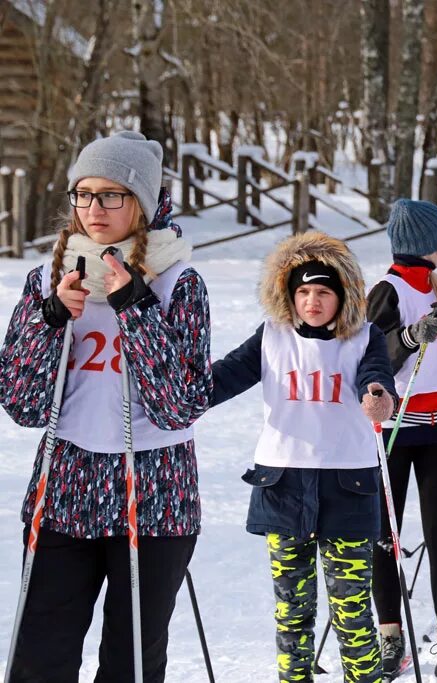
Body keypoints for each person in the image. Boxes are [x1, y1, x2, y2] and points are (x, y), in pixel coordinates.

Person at [0, 131, 212, 681]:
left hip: (154, 491)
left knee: (131, 660)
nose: (94, 209)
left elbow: (181, 406)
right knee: (39, 655)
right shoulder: (49, 276)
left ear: (141, 202)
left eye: (112, 195)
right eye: (83, 194)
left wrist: (134, 309)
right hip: (65, 485)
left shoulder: (177, 282)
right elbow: (21, 404)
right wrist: (49, 321)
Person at [210, 232, 394, 682]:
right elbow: (225, 376)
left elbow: (375, 376)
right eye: (304, 291)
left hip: (348, 488)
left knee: (352, 613)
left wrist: (377, 396)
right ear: (289, 295)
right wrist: (177, 399)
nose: (312, 301)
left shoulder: (364, 337)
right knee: (292, 613)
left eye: (323, 292)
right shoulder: (272, 336)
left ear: (343, 297)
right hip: (283, 486)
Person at [366, 199, 437, 681]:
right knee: (384, 537)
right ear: (428, 245)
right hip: (394, 429)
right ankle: (390, 637)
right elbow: (373, 358)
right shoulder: (387, 289)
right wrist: (411, 337)